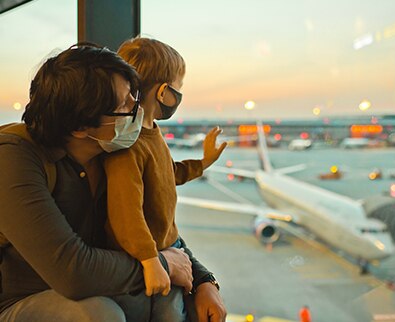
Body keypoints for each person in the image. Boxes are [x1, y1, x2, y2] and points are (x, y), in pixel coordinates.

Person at [0, 43, 226, 322]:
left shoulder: (110, 149)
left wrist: (204, 281)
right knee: (98, 315)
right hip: (24, 300)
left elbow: (155, 225)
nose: (137, 107)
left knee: (181, 306)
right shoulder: (14, 158)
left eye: (134, 95)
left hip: (100, 287)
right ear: (80, 126)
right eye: (125, 104)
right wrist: (164, 265)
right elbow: (73, 271)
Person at [103, 36, 227, 322]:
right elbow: (126, 213)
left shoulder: (151, 132)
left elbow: (168, 174)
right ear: (163, 92)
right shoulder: (129, 145)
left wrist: (203, 163)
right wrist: (150, 260)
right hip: (147, 260)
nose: (179, 96)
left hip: (168, 251)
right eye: (178, 88)